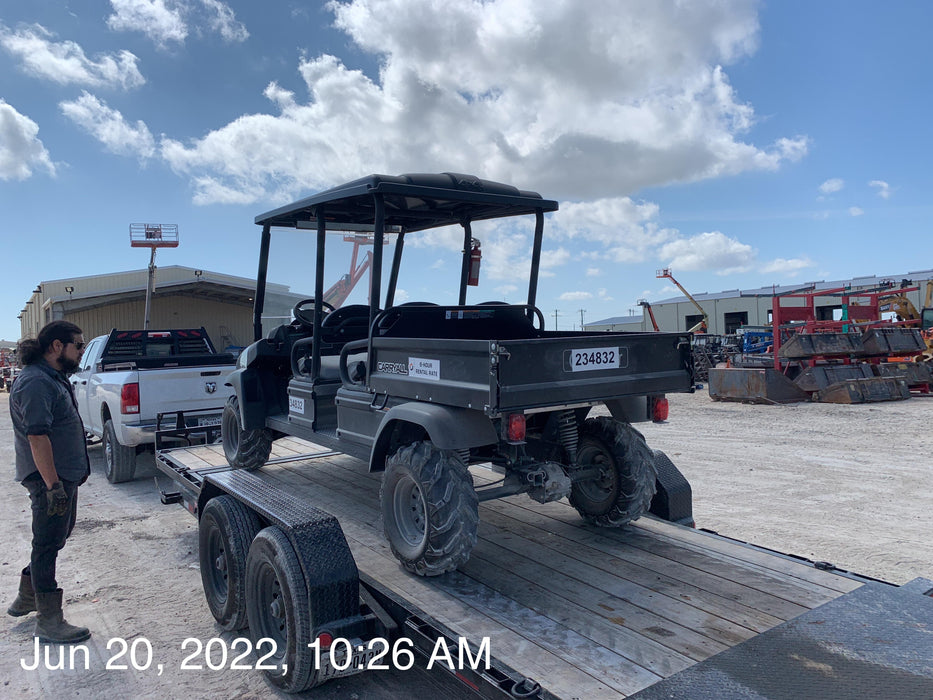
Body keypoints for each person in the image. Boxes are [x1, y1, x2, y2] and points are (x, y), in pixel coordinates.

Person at [8, 320, 91, 644]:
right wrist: (53, 487)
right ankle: (48, 621)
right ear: (57, 346)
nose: (82, 351)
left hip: (60, 476)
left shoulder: (53, 377)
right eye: (78, 345)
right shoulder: (36, 382)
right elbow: (37, 436)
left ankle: (28, 595)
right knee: (46, 545)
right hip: (48, 479)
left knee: (55, 537)